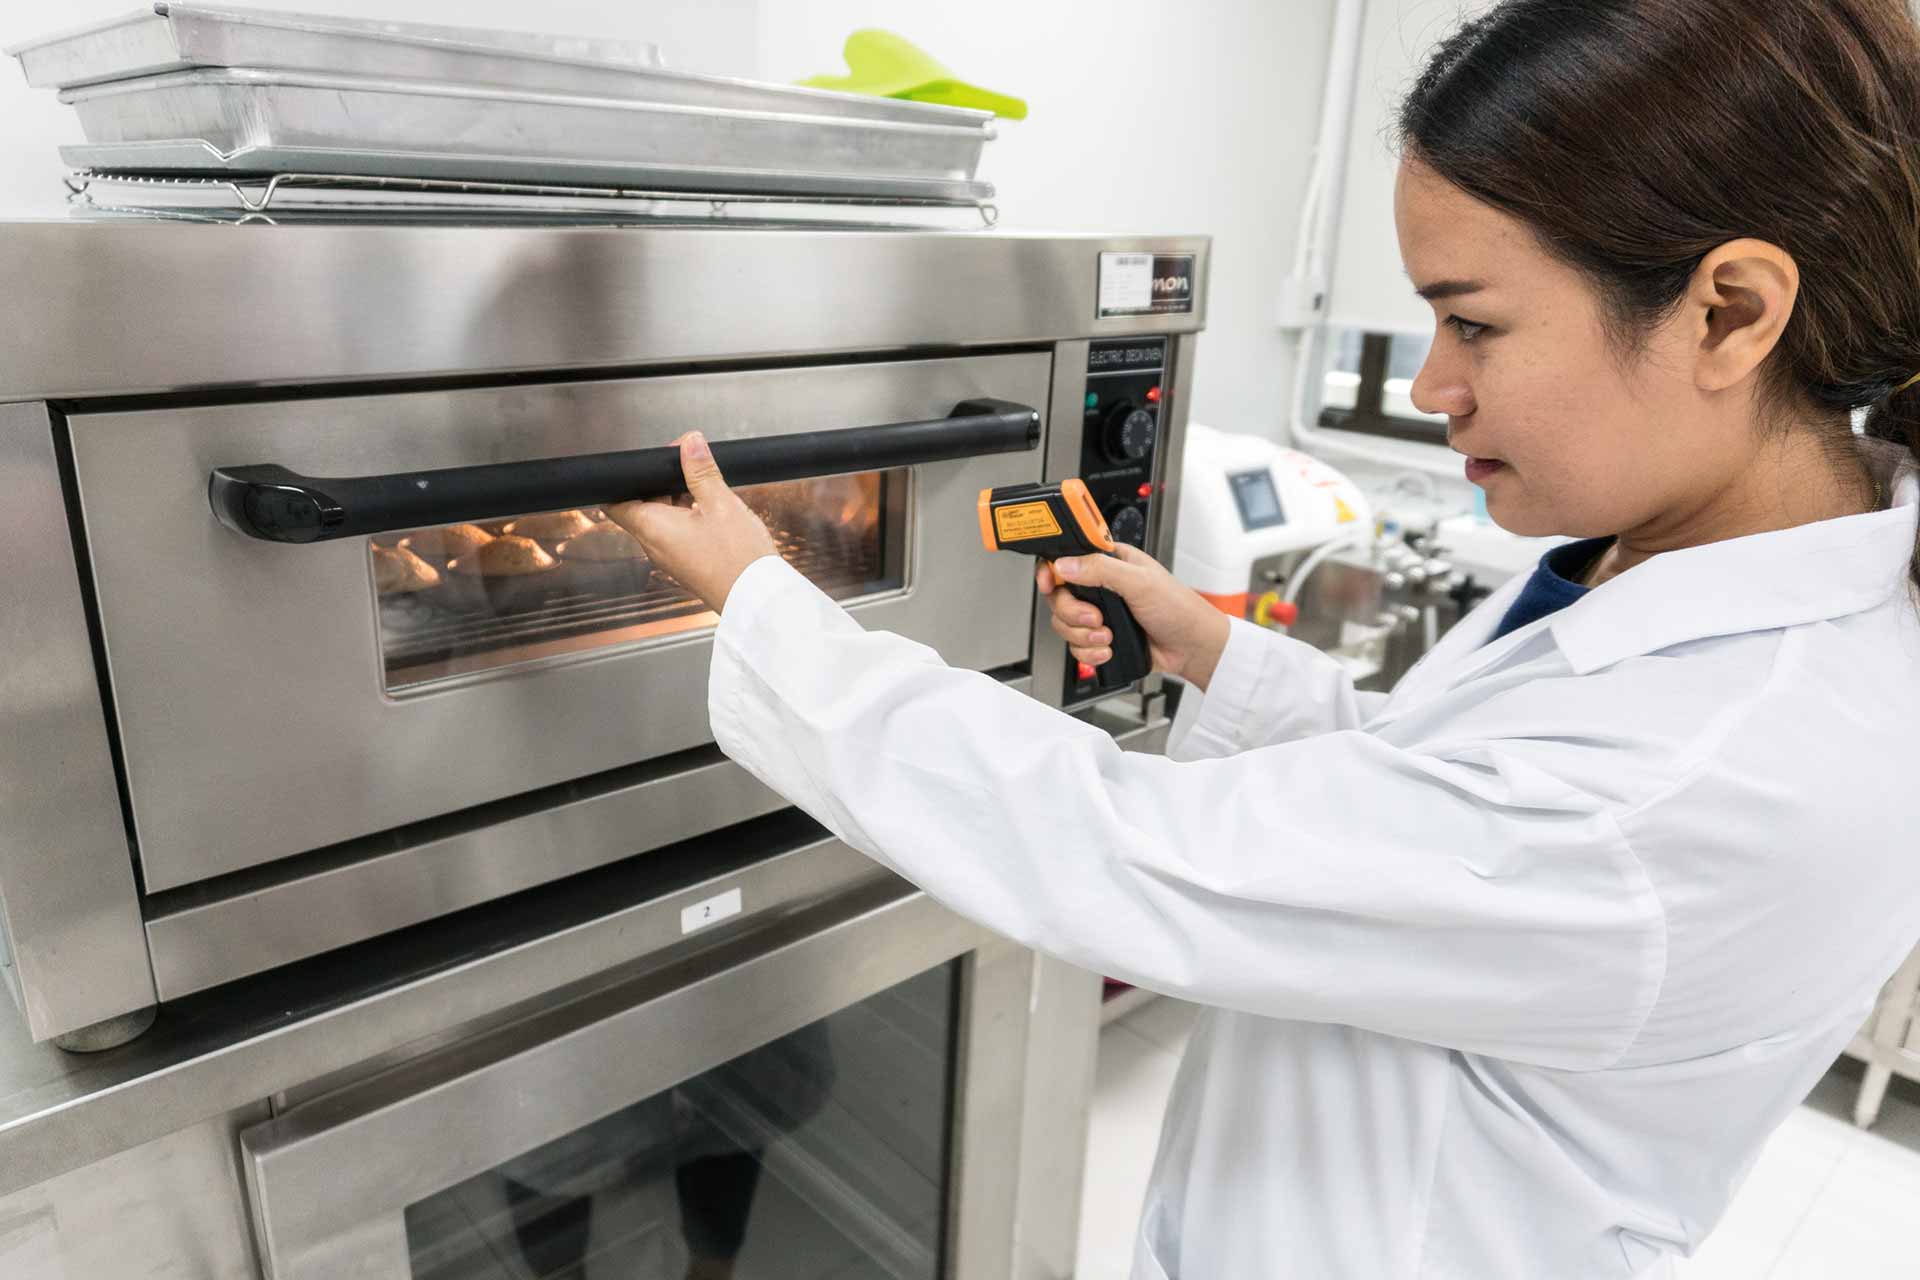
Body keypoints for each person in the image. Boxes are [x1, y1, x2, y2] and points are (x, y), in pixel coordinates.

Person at [605, 0, 1920, 1273]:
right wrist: (1213, 649)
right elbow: (1434, 808)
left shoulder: (1713, 764)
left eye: (1475, 321)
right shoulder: (1695, 581)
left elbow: (1130, 853)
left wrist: (766, 600)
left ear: (1731, 311)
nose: (1430, 387)